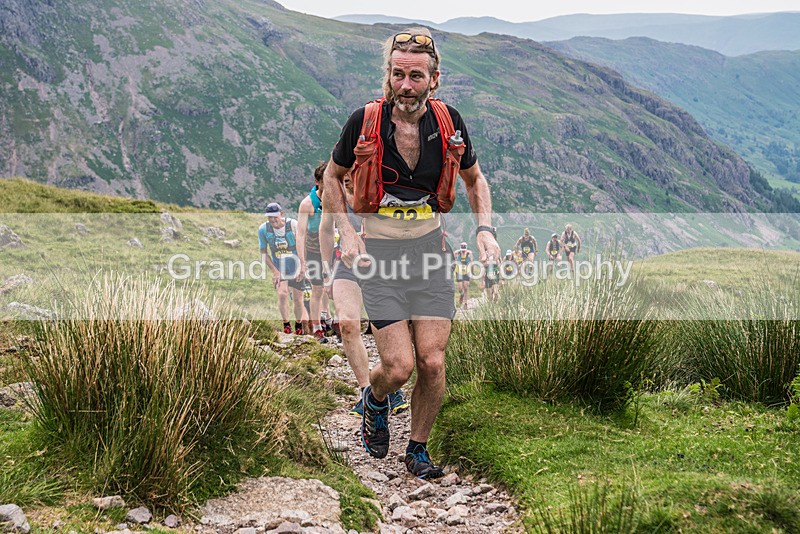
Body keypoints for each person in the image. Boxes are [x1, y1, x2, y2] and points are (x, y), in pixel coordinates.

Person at [322, 28, 500, 479]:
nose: (405, 85)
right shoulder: (364, 120)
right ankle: (375, 399)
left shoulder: (450, 123)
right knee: (399, 367)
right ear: (389, 75)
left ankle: (417, 449)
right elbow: (332, 179)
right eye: (397, 74)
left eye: (415, 76)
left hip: (431, 254)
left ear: (434, 79)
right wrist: (347, 230)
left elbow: (475, 180)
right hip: (379, 256)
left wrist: (485, 231)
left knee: (433, 362)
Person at [319, 173, 409, 417]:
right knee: (347, 324)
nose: (347, 178)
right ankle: (365, 390)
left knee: (383, 327)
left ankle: (389, 383)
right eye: (344, 175)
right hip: (345, 264)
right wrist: (326, 272)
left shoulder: (378, 182)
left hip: (380, 264)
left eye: (352, 173)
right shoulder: (332, 191)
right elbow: (326, 230)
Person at [258, 203, 308, 335]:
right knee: (282, 294)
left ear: (281, 214)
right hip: (280, 266)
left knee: (298, 298)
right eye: (269, 217)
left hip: (296, 265)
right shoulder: (263, 229)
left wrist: (303, 266)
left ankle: (298, 324)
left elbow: (303, 245)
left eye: (275, 216)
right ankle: (286, 325)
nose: (273, 220)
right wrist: (275, 271)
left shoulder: (293, 225)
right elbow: (263, 252)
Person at [297, 162, 332, 340]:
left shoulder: (335, 198)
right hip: (314, 252)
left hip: (333, 250)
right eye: (326, 181)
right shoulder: (307, 204)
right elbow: (300, 234)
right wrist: (302, 261)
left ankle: (330, 318)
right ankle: (317, 327)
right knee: (317, 289)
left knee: (334, 288)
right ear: (317, 182)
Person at [454, 242, 472, 309]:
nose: (463, 250)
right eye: (462, 249)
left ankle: (465, 303)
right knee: (460, 288)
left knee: (466, 287)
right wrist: (460, 251)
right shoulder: (457, 253)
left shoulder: (469, 253)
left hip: (466, 272)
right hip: (459, 272)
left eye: (464, 249)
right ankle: (461, 295)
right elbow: (454, 255)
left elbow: (471, 262)